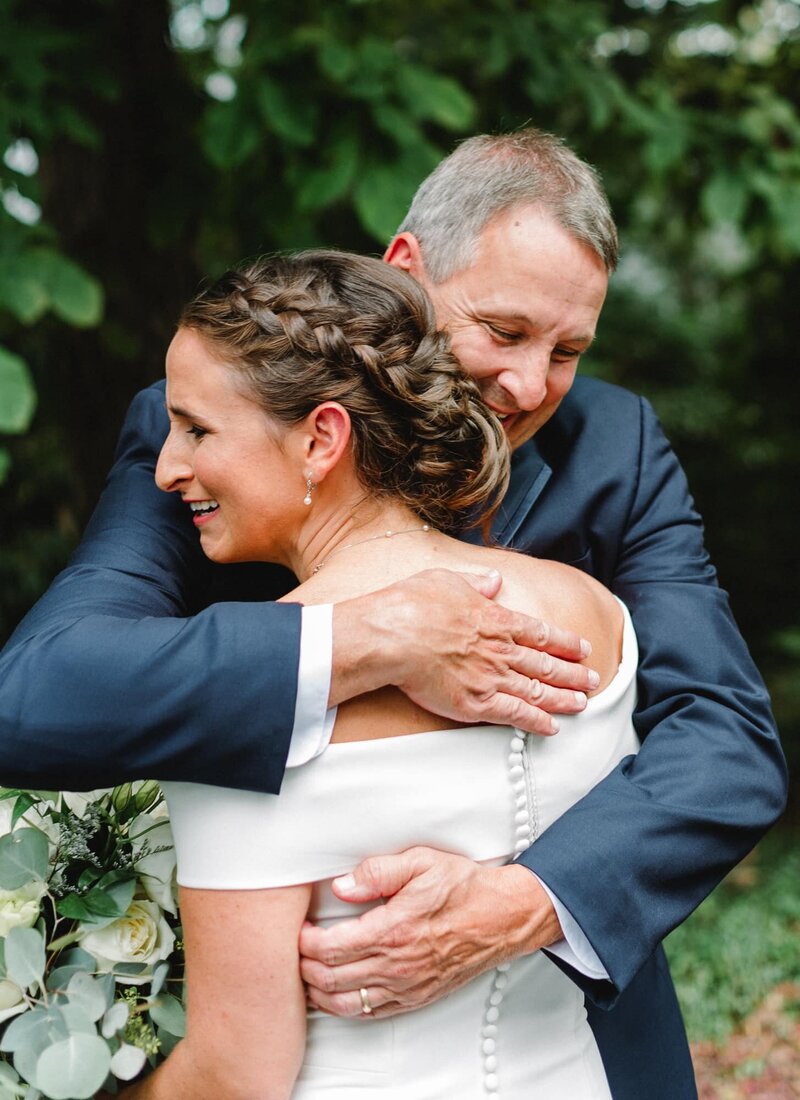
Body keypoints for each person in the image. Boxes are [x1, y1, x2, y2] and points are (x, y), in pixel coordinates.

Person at [0, 129, 786, 1098]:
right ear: (406, 271)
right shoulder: (216, 431)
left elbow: (726, 734)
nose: (530, 384)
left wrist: (522, 899)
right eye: (501, 331)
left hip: (583, 1044)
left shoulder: (613, 446)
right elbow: (34, 693)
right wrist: (364, 639)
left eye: (567, 348)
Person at [119, 248, 639, 1099]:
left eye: (198, 429)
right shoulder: (594, 617)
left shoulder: (245, 698)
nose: (167, 469)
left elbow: (233, 1074)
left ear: (322, 437)